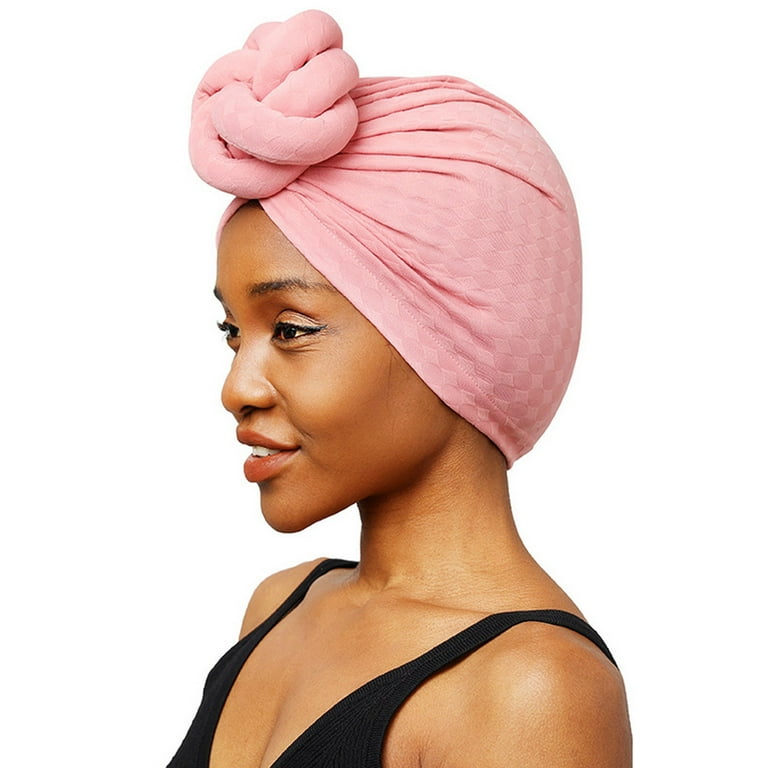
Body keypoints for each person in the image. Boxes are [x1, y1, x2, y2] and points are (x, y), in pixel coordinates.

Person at [169, 9, 632, 767]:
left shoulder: (530, 690)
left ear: (451, 336)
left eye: (291, 329)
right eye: (232, 332)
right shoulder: (280, 606)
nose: (236, 389)